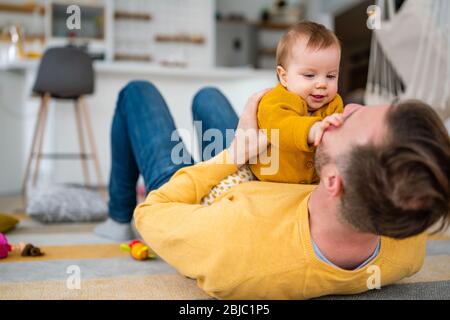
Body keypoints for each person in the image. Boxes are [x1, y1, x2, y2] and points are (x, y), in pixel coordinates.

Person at [97, 80, 450, 299]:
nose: (347, 105)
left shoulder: (233, 247)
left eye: (351, 119)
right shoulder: (408, 235)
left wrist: (233, 155)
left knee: (138, 92)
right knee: (209, 98)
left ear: (332, 181)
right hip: (262, 179)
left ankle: (115, 216)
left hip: (207, 195)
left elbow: (149, 214)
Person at [201, 22, 344, 205]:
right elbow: (281, 126)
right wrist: (313, 129)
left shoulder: (334, 103)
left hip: (311, 185)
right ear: (284, 76)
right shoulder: (274, 100)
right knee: (223, 191)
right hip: (262, 176)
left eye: (331, 76)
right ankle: (205, 204)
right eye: (310, 75)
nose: (322, 84)